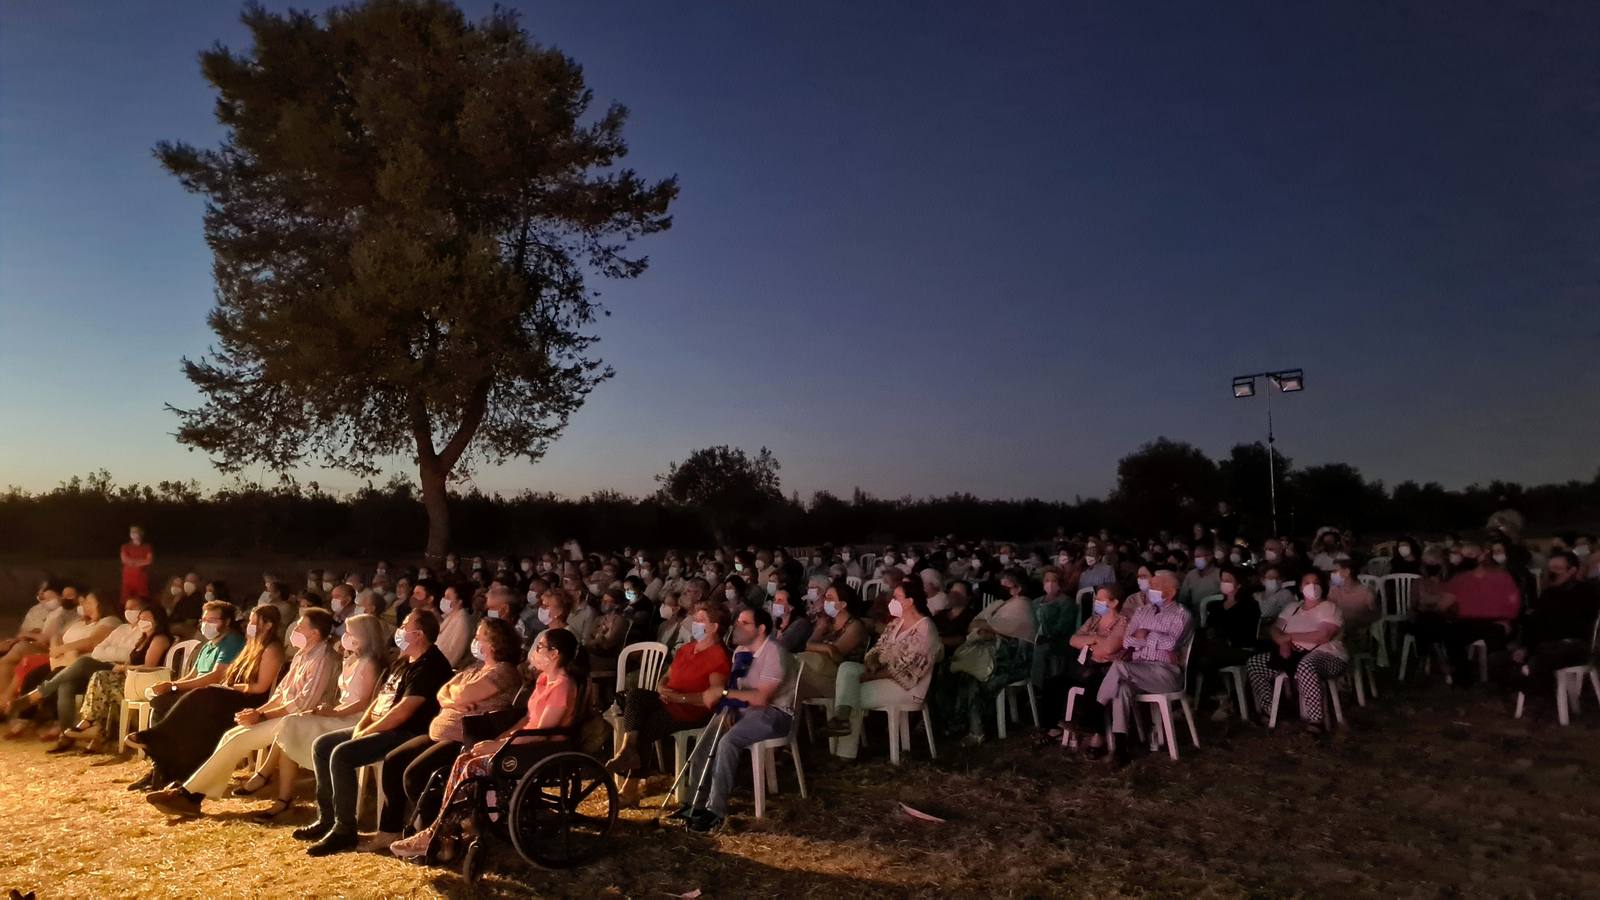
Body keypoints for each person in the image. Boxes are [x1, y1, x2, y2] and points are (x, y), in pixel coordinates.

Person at [390, 627, 584, 860]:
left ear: (554, 654)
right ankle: (442, 829)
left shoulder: (562, 685)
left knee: (472, 766)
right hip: (523, 742)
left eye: (541, 647)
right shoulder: (544, 680)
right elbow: (527, 720)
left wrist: (500, 747)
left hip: (540, 749)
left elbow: (542, 732)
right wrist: (501, 739)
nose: (536, 651)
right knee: (464, 758)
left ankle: (443, 831)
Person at [144, 608, 342, 816]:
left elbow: (302, 703)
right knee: (231, 734)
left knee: (238, 739)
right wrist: (257, 711)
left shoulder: (323, 659)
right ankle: (192, 793)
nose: (295, 630)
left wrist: (262, 716)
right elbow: (281, 694)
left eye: (301, 627)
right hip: (283, 714)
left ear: (314, 633)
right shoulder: (303, 655)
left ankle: (190, 794)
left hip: (301, 719)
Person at [296, 610, 453, 855]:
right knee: (322, 745)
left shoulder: (431, 664)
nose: (399, 629)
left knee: (342, 754)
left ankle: (343, 830)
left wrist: (368, 731)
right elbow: (380, 699)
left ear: (419, 635)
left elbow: (403, 711)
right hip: (380, 725)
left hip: (406, 732)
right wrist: (360, 727)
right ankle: (327, 818)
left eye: (404, 625)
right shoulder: (404, 661)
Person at [364, 617, 523, 850]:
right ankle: (390, 829)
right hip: (441, 732)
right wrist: (454, 702)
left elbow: (464, 693)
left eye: (480, 637)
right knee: (394, 760)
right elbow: (443, 692)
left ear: (496, 642)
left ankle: (440, 835)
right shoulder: (475, 668)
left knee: (415, 773)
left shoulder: (505, 672)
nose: (475, 640)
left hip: (465, 738)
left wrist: (455, 698)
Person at [125, 605, 287, 790]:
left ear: (268, 625)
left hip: (249, 701)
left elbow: (260, 688)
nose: (248, 625)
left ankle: (156, 741)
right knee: (175, 702)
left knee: (203, 695)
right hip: (234, 695)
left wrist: (229, 687)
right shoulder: (251, 645)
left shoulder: (271, 649)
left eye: (253, 622)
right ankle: (162, 767)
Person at [252, 614, 387, 821]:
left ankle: (273, 783)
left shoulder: (369, 663)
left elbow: (362, 702)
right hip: (339, 713)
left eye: (350, 633)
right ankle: (282, 794)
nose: (345, 636)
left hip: (353, 719)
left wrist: (333, 712)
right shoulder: (351, 659)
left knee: (291, 724)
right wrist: (328, 709)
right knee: (291, 724)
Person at [672, 607, 795, 833]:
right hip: (744, 709)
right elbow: (736, 689)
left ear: (761, 629)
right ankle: (694, 803)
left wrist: (725, 695)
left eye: (745, 623)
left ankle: (715, 811)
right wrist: (728, 705)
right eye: (738, 621)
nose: (738, 626)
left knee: (728, 742)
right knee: (707, 739)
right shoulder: (740, 651)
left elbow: (761, 698)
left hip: (774, 713)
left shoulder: (774, 653)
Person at [605, 603, 732, 806]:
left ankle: (629, 788)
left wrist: (679, 698)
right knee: (636, 695)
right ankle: (628, 749)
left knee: (645, 727)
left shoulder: (718, 657)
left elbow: (712, 696)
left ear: (714, 627)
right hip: (668, 699)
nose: (695, 624)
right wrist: (662, 688)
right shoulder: (688, 648)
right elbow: (667, 676)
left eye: (700, 620)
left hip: (690, 709)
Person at [823, 579, 936, 760]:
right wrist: (872, 661)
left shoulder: (924, 628)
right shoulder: (896, 624)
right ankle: (842, 717)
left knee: (852, 693)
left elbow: (909, 670)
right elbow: (876, 649)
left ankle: (844, 752)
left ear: (909, 601)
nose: (892, 601)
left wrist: (870, 676)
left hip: (908, 687)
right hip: (883, 678)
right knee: (847, 668)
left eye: (897, 597)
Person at [1096, 571, 1192, 767]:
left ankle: (1094, 714)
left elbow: (1171, 643)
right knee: (1121, 688)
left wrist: (1145, 636)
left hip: (1165, 672)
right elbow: (1128, 640)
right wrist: (1149, 638)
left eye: (1155, 587)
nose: (1149, 590)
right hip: (1140, 669)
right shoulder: (1142, 611)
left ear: (1170, 592)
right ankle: (1121, 749)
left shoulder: (1181, 614)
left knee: (1120, 667)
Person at [57, 599, 173, 752]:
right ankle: (94, 726)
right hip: (134, 679)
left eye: (147, 619)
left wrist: (125, 667)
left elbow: (149, 667)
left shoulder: (159, 639)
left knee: (101, 677)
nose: (142, 622)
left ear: (157, 620)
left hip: (146, 683)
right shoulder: (142, 640)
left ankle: (92, 725)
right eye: (141, 619)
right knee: (100, 677)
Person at [5, 589, 119, 740]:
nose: (85, 605)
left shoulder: (109, 621)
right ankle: (23, 718)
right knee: (34, 674)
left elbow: (92, 642)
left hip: (83, 665)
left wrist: (65, 649)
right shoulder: (80, 623)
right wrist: (56, 648)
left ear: (102, 604)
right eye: (84, 602)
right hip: (63, 660)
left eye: (90, 602)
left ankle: (55, 722)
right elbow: (57, 635)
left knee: (57, 677)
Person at [944, 569, 1037, 746]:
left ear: (1018, 588)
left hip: (1013, 662)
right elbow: (975, 624)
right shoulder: (1003, 603)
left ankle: (976, 730)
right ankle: (958, 721)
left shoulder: (1022, 606)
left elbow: (995, 627)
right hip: (995, 656)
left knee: (976, 677)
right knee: (961, 672)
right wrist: (989, 628)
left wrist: (989, 628)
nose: (1002, 587)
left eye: (1006, 584)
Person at [1245, 571, 1346, 733]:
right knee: (1255, 664)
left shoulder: (1329, 608)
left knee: (1306, 666)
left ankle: (1316, 720)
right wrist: (1283, 643)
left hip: (1327, 655)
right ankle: (1272, 709)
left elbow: (1323, 636)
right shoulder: (1292, 608)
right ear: (1300, 587)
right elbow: (1275, 629)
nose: (1312, 586)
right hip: (1293, 654)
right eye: (1307, 582)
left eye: (1316, 582)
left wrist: (1288, 637)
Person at [1502, 550, 1600, 699]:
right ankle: (1534, 688)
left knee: (1544, 654)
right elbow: (1535, 625)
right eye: (1550, 569)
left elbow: (1579, 626)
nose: (1552, 573)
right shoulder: (1548, 594)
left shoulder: (1587, 592)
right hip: (1547, 645)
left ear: (1572, 571)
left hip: (1575, 645)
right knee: (1502, 658)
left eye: (1558, 569)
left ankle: (1534, 689)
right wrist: (1525, 647)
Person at [143, 600, 247, 727]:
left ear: (227, 621)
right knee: (161, 699)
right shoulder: (208, 645)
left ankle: (158, 741)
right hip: (197, 692)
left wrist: (174, 686)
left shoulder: (232, 642)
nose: (206, 624)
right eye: (204, 620)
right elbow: (192, 675)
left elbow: (216, 676)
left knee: (163, 702)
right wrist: (170, 685)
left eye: (213, 620)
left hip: (215, 694)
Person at [1053, 585, 1129, 757]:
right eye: (1096, 598)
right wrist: (1096, 638)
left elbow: (1110, 649)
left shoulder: (1123, 622)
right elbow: (1073, 640)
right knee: (1057, 680)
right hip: (1088, 663)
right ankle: (1054, 727)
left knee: (1093, 684)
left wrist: (1089, 643)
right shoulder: (1094, 620)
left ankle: (1097, 735)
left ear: (1114, 602)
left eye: (1101, 599)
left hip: (1110, 667)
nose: (1096, 602)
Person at [1439, 542, 1521, 686]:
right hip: (1469, 621)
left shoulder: (1502, 577)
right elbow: (1443, 604)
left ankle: (1500, 681)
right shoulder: (1459, 579)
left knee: (1496, 636)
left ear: (1482, 555)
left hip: (1497, 621)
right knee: (1450, 634)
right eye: (1462, 556)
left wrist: (1507, 620)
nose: (1465, 559)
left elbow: (1514, 604)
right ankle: (1463, 677)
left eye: (1470, 555)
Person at [1193, 569, 1261, 719]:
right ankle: (1219, 696)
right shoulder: (1216, 606)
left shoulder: (1250, 605)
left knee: (1207, 657)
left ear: (1239, 583)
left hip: (1241, 648)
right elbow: (1210, 628)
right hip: (1217, 648)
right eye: (1222, 580)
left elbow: (1246, 632)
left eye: (1228, 580)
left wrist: (1224, 635)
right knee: (1201, 655)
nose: (1224, 583)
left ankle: (1222, 698)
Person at [0, 585, 76, 711]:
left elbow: (49, 638)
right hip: (51, 647)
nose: (66, 598)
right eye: (65, 595)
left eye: (70, 595)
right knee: (6, 662)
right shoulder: (54, 613)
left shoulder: (71, 615)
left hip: (56, 652)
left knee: (20, 654)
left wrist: (27, 636)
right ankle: (4, 700)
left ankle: (7, 702)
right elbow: (47, 634)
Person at [796, 582, 869, 701]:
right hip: (820, 672)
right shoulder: (827, 624)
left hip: (840, 677)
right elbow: (807, 645)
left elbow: (837, 654)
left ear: (843, 604)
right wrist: (821, 633)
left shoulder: (855, 626)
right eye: (825, 597)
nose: (825, 601)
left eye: (830, 598)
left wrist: (827, 649)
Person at [435, 584, 475, 668]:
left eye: (448, 597)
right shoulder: (449, 616)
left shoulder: (462, 621)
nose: (444, 599)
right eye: (444, 596)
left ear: (459, 601)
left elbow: (454, 652)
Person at [769, 587, 813, 653]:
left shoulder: (801, 624)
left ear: (791, 607)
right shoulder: (776, 622)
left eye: (780, 600)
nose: (775, 603)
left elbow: (783, 647)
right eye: (774, 599)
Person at [120, 525, 154, 601]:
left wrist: (133, 563)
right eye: (132, 532)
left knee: (142, 599)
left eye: (136, 532)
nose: (133, 534)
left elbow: (149, 560)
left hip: (141, 579)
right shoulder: (125, 546)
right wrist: (141, 561)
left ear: (141, 533)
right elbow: (124, 559)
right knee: (126, 599)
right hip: (128, 579)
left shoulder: (147, 547)